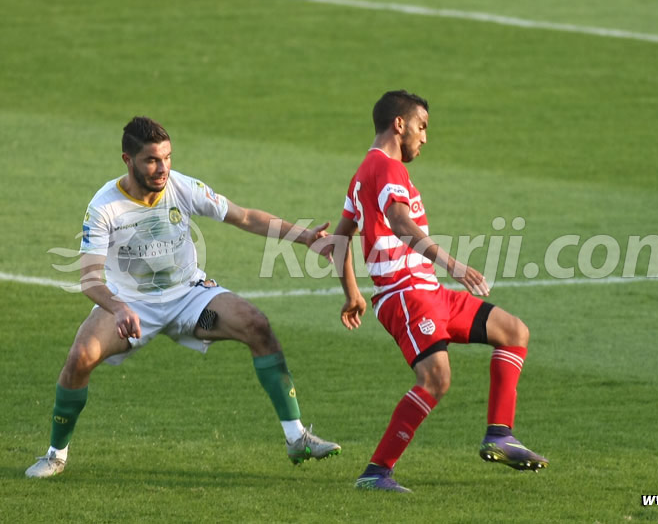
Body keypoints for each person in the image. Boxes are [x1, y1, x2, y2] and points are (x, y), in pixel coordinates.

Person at [25, 116, 340, 478]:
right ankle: (55, 454)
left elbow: (244, 216)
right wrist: (117, 306)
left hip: (191, 298)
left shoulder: (181, 186)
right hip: (131, 303)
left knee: (257, 325)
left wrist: (304, 237)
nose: (163, 168)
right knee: (80, 358)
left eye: (167, 157)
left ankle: (296, 437)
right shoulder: (104, 207)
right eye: (152, 160)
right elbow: (89, 280)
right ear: (127, 160)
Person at [331, 90, 548, 493]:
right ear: (400, 124)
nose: (424, 137)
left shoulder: (365, 172)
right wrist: (453, 263)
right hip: (405, 294)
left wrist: (352, 293)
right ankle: (376, 472)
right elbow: (398, 222)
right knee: (436, 377)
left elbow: (340, 239)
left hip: (428, 290)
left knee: (513, 332)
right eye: (422, 126)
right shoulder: (386, 169)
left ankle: (499, 434)